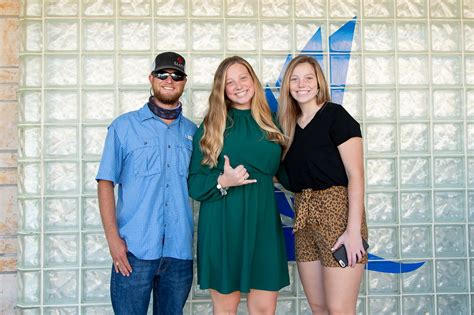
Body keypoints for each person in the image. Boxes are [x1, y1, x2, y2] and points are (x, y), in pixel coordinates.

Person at [96, 51, 197, 315]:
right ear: (151, 78)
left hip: (178, 251)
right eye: (162, 74)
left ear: (184, 82)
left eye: (177, 75)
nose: (169, 80)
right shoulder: (123, 127)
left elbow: (202, 184)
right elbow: (105, 182)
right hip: (134, 250)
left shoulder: (193, 133)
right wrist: (113, 240)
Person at [188, 56, 290, 314]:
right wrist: (224, 180)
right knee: (225, 310)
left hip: (263, 224)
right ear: (222, 89)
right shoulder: (212, 126)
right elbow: (195, 183)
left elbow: (288, 172)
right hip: (222, 224)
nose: (238, 86)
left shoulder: (273, 122)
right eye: (229, 82)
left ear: (253, 80)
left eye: (243, 77)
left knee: (265, 310)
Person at [277, 55, 368, 314]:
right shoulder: (289, 126)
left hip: (338, 215)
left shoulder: (336, 116)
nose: (301, 84)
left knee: (340, 308)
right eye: (294, 78)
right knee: (319, 306)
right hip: (304, 218)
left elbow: (356, 175)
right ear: (288, 86)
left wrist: (353, 232)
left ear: (319, 83)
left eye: (308, 77)